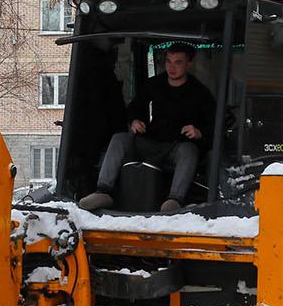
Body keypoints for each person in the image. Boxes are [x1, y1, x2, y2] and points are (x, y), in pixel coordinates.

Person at [78, 43, 216, 213]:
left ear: (189, 64)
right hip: (150, 141)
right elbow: (135, 106)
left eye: (178, 62)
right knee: (120, 139)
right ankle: (103, 191)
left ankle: (174, 200)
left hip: (176, 147)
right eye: (168, 61)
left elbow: (215, 125)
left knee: (189, 151)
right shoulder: (154, 84)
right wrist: (134, 120)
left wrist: (199, 132)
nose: (171, 67)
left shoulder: (200, 93)